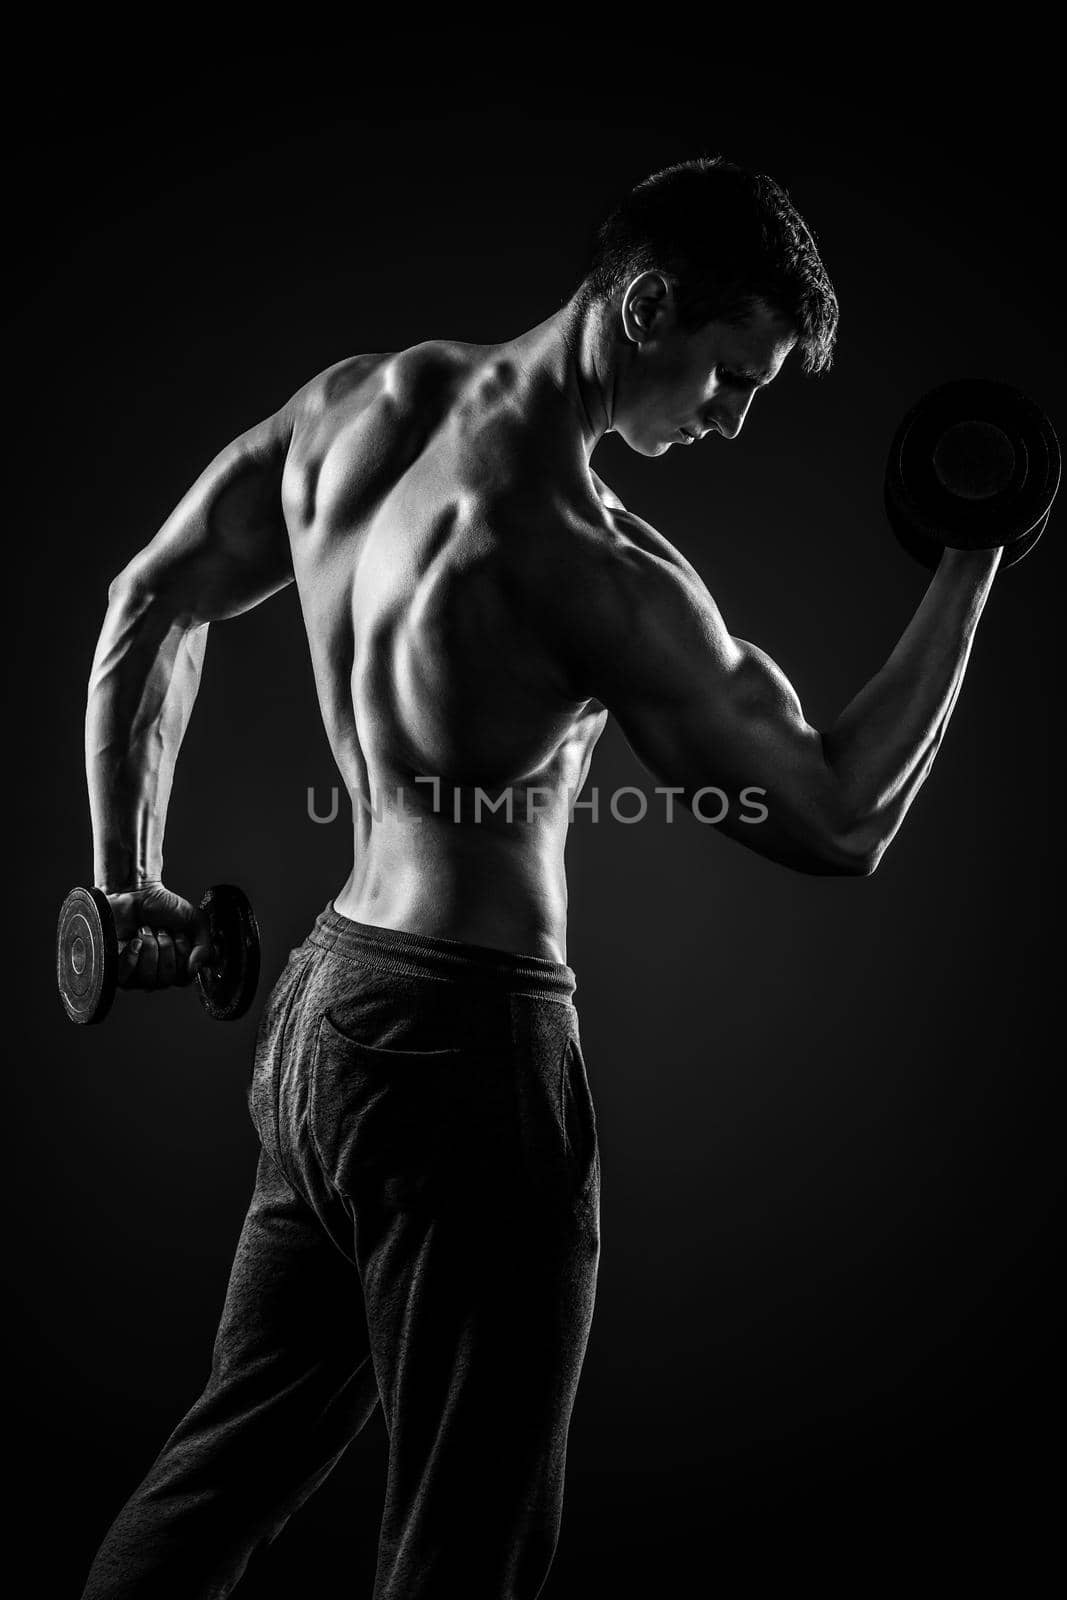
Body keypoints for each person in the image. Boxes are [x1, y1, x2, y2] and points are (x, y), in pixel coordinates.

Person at [80, 156, 1000, 1598]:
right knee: (470, 1547)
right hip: (470, 1059)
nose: (733, 419)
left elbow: (148, 601)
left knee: (219, 1482)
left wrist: (126, 882)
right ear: (644, 304)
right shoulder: (587, 559)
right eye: (729, 377)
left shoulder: (350, 408)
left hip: (324, 1021)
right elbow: (838, 818)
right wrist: (974, 550)